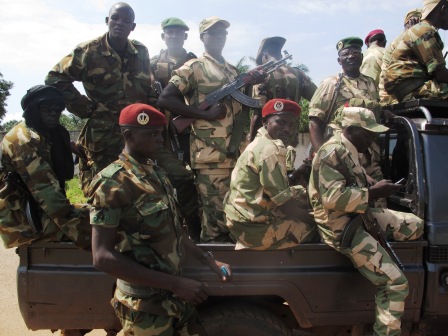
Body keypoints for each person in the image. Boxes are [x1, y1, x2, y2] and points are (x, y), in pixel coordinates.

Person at [89, 103, 231, 336]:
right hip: (144, 308)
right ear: (128, 135)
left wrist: (208, 260)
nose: (160, 140)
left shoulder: (156, 173)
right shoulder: (113, 182)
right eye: (151, 134)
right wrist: (176, 284)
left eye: (160, 133)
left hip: (174, 300)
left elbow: (174, 230)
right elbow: (102, 257)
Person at [309, 106, 423, 336]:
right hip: (342, 227)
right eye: (368, 133)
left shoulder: (349, 149)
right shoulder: (331, 152)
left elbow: (353, 179)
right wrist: (374, 194)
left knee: (416, 225)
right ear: (350, 129)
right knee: (396, 283)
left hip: (359, 215)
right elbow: (332, 199)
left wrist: (373, 184)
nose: (372, 138)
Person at [45, 2, 153, 195]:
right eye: (115, 18)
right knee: (105, 190)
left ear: (133, 27)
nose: (120, 23)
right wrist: (86, 108)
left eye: (126, 20)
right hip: (104, 136)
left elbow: (147, 88)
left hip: (137, 133)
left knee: (140, 189)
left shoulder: (141, 52)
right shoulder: (88, 51)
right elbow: (54, 78)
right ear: (107, 21)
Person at [158, 16, 246, 243]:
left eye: (222, 33)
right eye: (213, 33)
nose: (219, 37)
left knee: (232, 216)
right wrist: (203, 114)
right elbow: (166, 99)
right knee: (215, 222)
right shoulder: (193, 67)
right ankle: (212, 262)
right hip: (210, 157)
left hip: (233, 154)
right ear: (202, 37)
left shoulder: (232, 70)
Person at [0, 85, 91, 250]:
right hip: (22, 221)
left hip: (39, 210)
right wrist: (83, 234)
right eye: (46, 109)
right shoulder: (23, 139)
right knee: (104, 229)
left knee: (102, 215)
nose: (53, 113)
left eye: (58, 110)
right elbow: (47, 192)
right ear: (33, 110)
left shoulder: (49, 136)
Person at [224, 99, 317, 250]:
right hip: (253, 230)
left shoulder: (260, 143)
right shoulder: (270, 150)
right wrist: (313, 218)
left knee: (300, 193)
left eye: (291, 124)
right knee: (316, 229)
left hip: (240, 220)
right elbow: (287, 207)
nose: (287, 129)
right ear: (265, 122)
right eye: (280, 122)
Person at [151, 17, 201, 242]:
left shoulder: (196, 63)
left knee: (198, 181)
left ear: (185, 37)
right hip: (164, 133)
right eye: (169, 33)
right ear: (163, 36)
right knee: (172, 180)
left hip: (194, 131)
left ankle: (197, 230)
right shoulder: (152, 64)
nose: (173, 36)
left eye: (178, 33)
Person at [248, 36, 317, 142]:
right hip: (290, 134)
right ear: (280, 55)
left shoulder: (263, 76)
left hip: (268, 139)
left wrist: (251, 141)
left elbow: (258, 113)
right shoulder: (299, 74)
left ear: (264, 55)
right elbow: (318, 99)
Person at [381, 0, 448, 103]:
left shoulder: (422, 29)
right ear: (443, 10)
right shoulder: (425, 32)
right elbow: (439, 73)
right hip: (414, 89)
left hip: (410, 88)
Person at [379, 9, 422, 106]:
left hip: (391, 95)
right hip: (396, 96)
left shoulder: (398, 39)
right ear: (415, 21)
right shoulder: (410, 39)